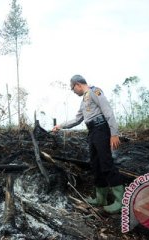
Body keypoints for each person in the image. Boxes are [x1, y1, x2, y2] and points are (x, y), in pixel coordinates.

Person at [52, 74, 124, 214]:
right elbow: (77, 120)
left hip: (102, 129)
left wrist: (114, 133)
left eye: (73, 89)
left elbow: (108, 111)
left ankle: (121, 201)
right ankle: (100, 198)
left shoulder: (95, 91)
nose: (74, 92)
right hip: (92, 132)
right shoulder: (83, 100)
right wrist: (60, 126)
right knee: (96, 165)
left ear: (78, 84)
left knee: (106, 163)